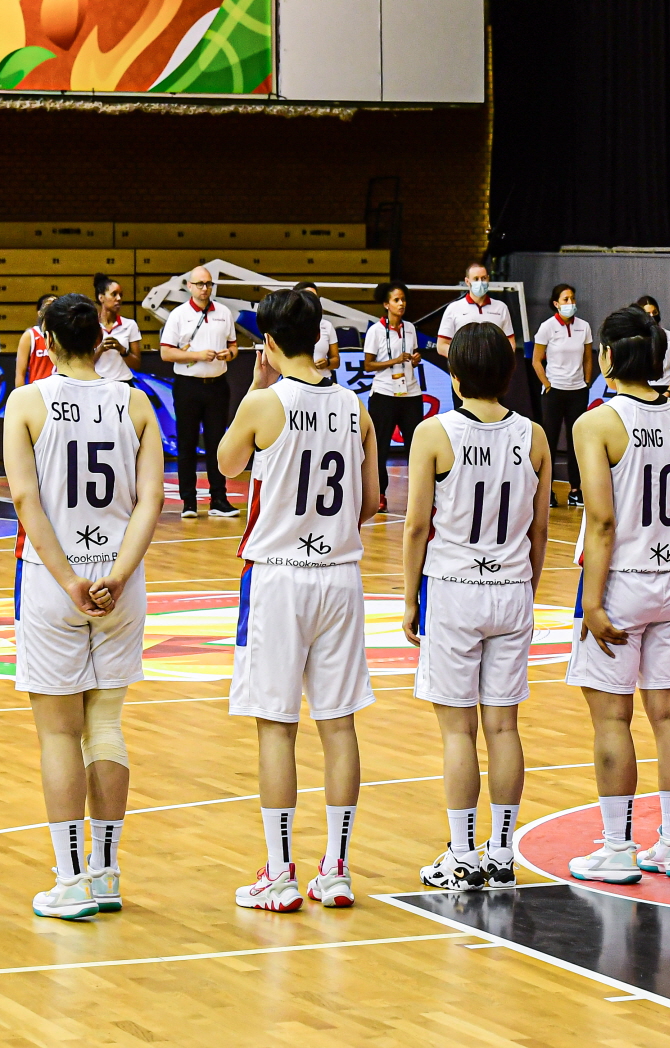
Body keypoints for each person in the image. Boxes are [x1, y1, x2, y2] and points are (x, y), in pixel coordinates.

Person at [218, 288, 381, 912]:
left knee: (276, 727)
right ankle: (335, 870)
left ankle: (280, 873)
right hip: (340, 573)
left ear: (268, 341)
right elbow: (369, 500)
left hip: (280, 574)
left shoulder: (264, 403)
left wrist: (257, 385)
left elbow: (228, 466)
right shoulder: (353, 407)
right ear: (318, 337)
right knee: (338, 724)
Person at [3, 293, 165, 920]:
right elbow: (152, 499)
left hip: (52, 579)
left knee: (57, 734)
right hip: (122, 581)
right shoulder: (135, 402)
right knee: (105, 726)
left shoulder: (28, 402)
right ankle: (106, 872)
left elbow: (24, 499)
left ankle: (70, 880)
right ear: (100, 340)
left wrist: (70, 578)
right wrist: (118, 574)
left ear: (44, 338)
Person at [403, 322, 549, 891]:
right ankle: (501, 852)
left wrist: (409, 595)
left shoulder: (434, 433)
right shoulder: (533, 435)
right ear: (510, 372)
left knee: (458, 731)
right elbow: (539, 528)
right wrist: (528, 585)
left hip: (456, 587)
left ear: (454, 375)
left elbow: (417, 525)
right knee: (504, 726)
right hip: (513, 588)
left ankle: (461, 854)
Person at [564, 306, 670, 884]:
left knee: (613, 720)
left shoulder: (595, 423)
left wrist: (593, 603)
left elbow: (601, 521)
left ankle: (618, 848)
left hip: (620, 581)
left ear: (607, 358)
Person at [159, 266, 240, 519]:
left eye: (208, 284)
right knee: (187, 443)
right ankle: (189, 502)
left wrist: (230, 354)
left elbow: (233, 345)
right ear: (189, 286)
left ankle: (219, 499)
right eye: (200, 284)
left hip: (216, 384)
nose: (205, 288)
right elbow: (166, 352)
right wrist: (196, 355)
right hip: (188, 386)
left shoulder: (223, 312)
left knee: (218, 443)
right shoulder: (178, 315)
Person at [533, 284, 594, 507]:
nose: (571, 303)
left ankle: (575, 490)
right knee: (548, 441)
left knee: (576, 441)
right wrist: (547, 385)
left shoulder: (584, 327)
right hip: (554, 392)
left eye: (573, 299)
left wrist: (586, 382)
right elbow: (536, 360)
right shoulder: (547, 328)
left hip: (577, 391)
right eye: (566, 299)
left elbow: (588, 357)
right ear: (556, 303)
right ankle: (546, 490)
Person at [362, 282, 421, 514]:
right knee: (381, 447)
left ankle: (421, 494)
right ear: (386, 304)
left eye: (403, 299)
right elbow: (368, 365)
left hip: (410, 393)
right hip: (384, 394)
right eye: (396, 300)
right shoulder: (375, 331)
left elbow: (414, 355)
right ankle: (380, 494)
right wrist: (394, 361)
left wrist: (414, 359)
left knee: (416, 446)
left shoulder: (410, 328)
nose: (401, 304)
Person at [436, 263, 516, 359]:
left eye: (483, 278)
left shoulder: (501, 307)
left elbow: (510, 343)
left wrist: (500, 361)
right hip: (464, 370)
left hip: (493, 369)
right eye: (476, 279)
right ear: (467, 281)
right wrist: (463, 358)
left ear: (488, 279)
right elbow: (441, 346)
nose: (480, 282)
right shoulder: (454, 308)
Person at [93, 273, 142, 382]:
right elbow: (85, 363)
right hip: (98, 383)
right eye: (114, 294)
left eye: (121, 295)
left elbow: (137, 364)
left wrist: (122, 350)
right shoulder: (91, 325)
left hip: (124, 382)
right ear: (101, 297)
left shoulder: (130, 325)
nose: (119, 298)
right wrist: (100, 349)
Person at [637, 296, 670, 395]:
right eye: (648, 314)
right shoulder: (634, 338)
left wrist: (668, 392)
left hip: (664, 388)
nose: (652, 316)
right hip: (641, 388)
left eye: (654, 313)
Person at [294, 282, 339, 371]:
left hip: (323, 380)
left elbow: (336, 361)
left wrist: (327, 363)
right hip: (296, 381)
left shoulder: (326, 325)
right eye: (308, 296)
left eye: (315, 297)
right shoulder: (288, 324)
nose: (313, 300)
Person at [15, 295, 57, 386]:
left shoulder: (65, 334)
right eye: (48, 306)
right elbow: (20, 374)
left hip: (60, 391)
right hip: (38, 390)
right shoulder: (30, 336)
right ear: (39, 313)